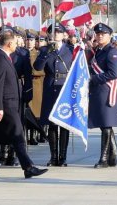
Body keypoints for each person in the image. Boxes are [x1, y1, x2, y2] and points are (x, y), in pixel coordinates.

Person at [0, 33, 48, 179]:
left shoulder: (5, 58)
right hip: (6, 105)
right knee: (18, 135)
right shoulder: (0, 59)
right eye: (15, 43)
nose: (17, 46)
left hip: (7, 104)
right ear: (9, 44)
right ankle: (28, 167)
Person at [34, 22, 73, 167]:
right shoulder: (45, 49)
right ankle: (53, 156)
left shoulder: (70, 49)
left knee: (63, 124)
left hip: (64, 87)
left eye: (58, 32)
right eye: (53, 32)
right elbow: (37, 67)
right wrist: (46, 53)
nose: (55, 34)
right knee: (51, 124)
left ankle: (63, 157)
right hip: (50, 87)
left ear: (64, 35)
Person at [88, 23, 117, 168]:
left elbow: (113, 73)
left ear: (109, 36)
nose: (100, 36)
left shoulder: (112, 51)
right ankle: (114, 155)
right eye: (98, 34)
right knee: (104, 125)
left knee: (106, 125)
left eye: (103, 34)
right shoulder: (98, 51)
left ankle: (104, 158)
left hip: (107, 91)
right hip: (98, 91)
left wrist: (93, 79)